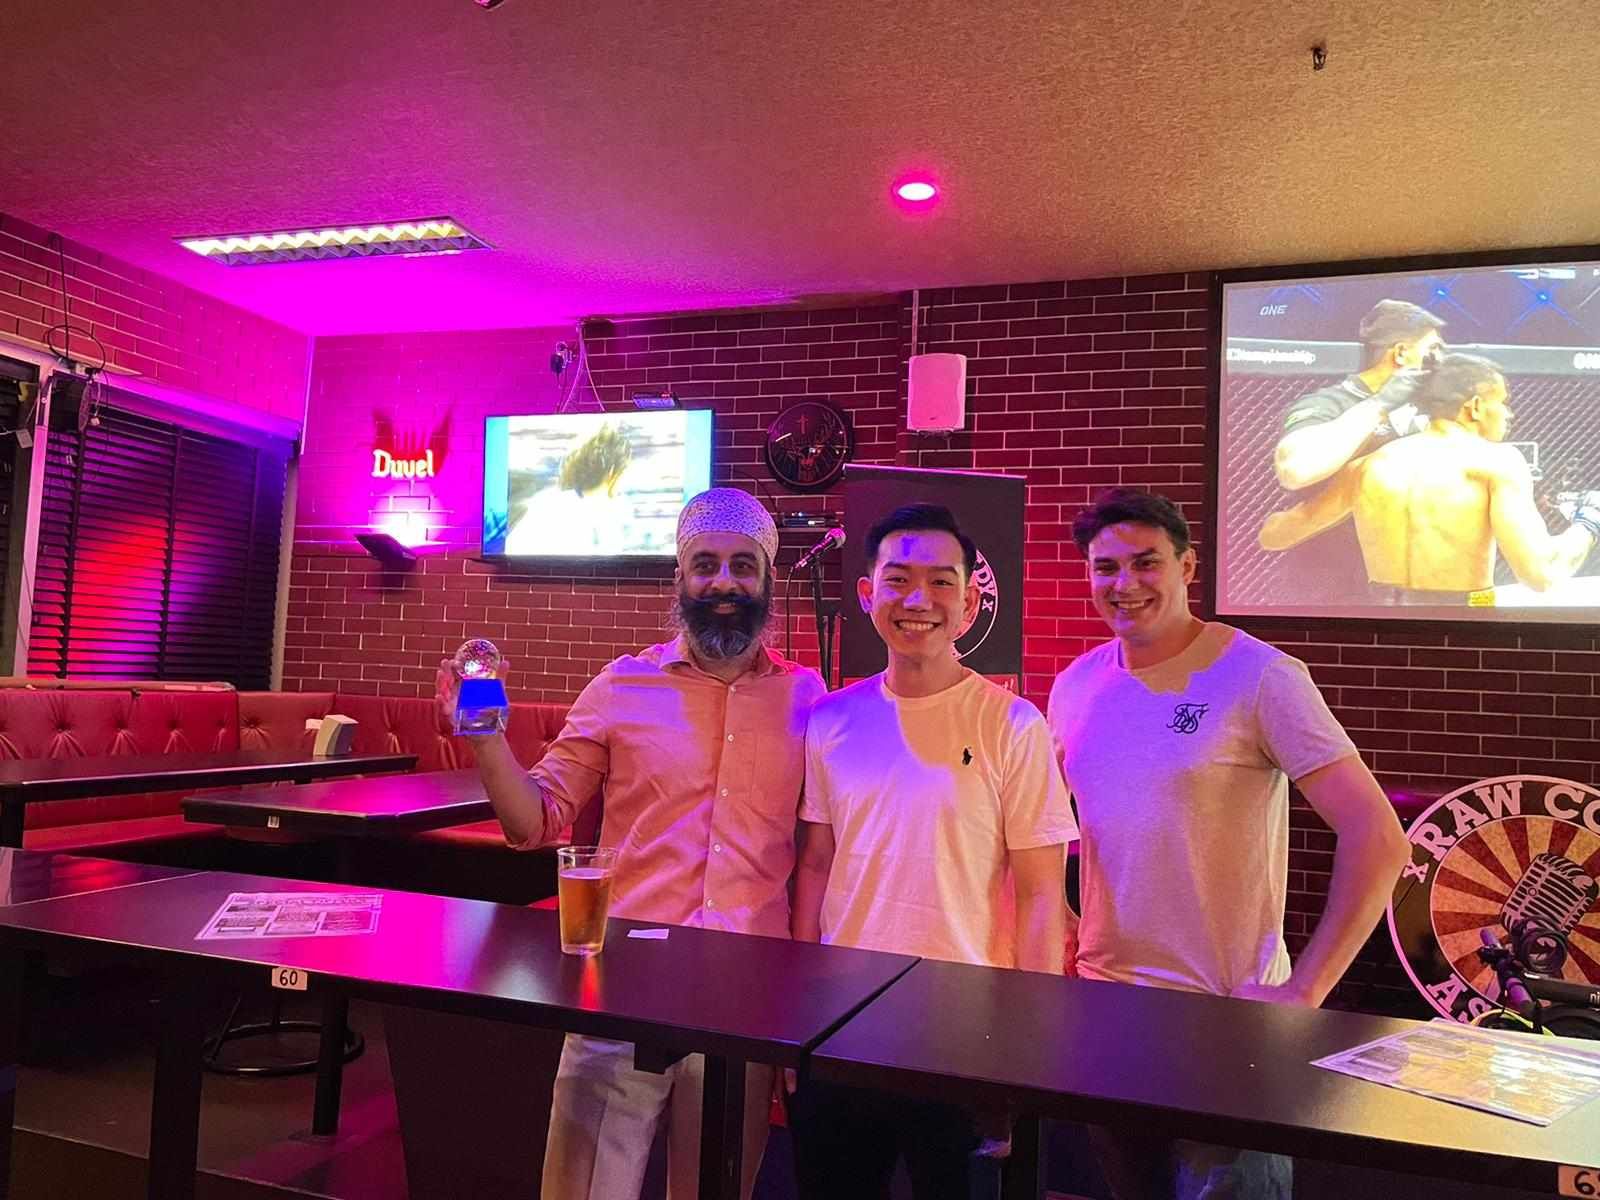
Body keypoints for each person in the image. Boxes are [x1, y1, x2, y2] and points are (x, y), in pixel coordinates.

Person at [442, 486, 826, 1200]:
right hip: (619, 991)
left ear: (769, 581)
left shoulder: (809, 700)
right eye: (705, 563)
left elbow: (819, 857)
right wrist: (487, 742)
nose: (723, 582)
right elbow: (535, 824)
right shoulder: (621, 685)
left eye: (744, 565)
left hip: (745, 1000)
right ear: (677, 578)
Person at [1046, 488, 1411, 1200]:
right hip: (1108, 1014)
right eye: (1105, 567)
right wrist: (1060, 925)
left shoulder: (1261, 677)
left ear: (1188, 565)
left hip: (1226, 1017)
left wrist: (1305, 991)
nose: (1124, 585)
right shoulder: (1076, 685)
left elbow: (1378, 837)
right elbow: (1069, 830)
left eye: (1146, 563)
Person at [789, 502, 1074, 1200]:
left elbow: (1043, 894)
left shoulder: (1013, 724)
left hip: (964, 1034)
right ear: (868, 594)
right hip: (841, 1026)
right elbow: (816, 865)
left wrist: (1026, 1041)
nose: (920, 600)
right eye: (899, 579)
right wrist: (793, 1010)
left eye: (943, 582)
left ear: (973, 601)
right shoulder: (830, 719)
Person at [1259, 353, 1600, 602]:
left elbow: (1274, 536)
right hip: (1464, 627)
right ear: (1476, 406)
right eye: (1504, 403)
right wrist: (1588, 523)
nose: (1509, 414)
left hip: (1375, 623)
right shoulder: (1497, 461)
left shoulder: (1369, 465)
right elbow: (1541, 575)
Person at [1273, 299, 1446, 491]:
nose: (1440, 359)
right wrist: (1380, 404)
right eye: (1433, 349)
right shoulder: (1327, 404)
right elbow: (1296, 470)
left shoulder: (1431, 402)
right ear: (1400, 353)